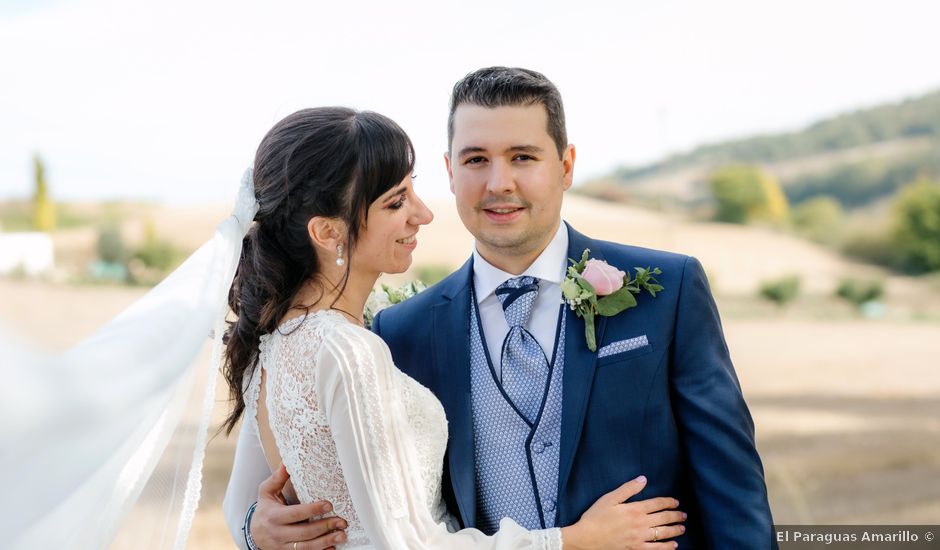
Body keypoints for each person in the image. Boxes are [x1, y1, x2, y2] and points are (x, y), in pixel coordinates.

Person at [226, 68, 775, 549]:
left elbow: (732, 484)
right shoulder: (398, 331)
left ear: (565, 165)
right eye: (476, 159)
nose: (499, 183)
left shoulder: (667, 290)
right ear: (449, 170)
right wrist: (258, 529)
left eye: (523, 157)